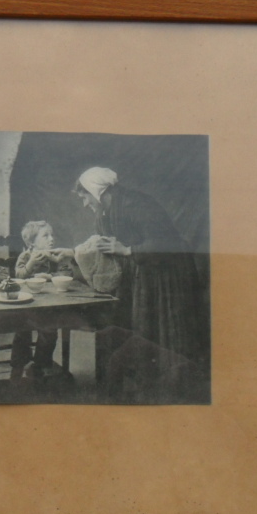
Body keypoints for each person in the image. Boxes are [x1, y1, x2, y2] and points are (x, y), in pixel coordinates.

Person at [73, 166, 207, 392]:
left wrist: (126, 250)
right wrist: (72, 254)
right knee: (142, 326)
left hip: (168, 274)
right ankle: (147, 380)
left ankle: (174, 384)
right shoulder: (105, 213)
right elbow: (103, 247)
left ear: (97, 191)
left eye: (84, 197)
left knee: (164, 328)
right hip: (143, 272)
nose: (85, 204)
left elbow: (167, 244)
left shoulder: (135, 204)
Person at [11, 220, 77, 382]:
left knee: (50, 331)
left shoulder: (55, 256)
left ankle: (39, 364)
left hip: (50, 305)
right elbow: (19, 275)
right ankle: (18, 365)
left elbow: (66, 273)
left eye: (52, 235)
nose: (51, 239)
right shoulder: (25, 256)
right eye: (45, 236)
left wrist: (50, 276)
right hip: (27, 306)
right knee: (21, 331)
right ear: (31, 243)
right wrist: (32, 263)